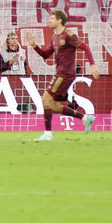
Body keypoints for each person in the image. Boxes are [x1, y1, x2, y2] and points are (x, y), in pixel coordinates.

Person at [29, 9, 99, 140]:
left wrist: (92, 65)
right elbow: (46, 55)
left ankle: (48, 134)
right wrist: (34, 46)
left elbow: (85, 47)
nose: (49, 20)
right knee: (53, 106)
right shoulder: (54, 37)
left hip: (65, 73)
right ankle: (85, 118)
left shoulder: (68, 35)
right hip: (60, 73)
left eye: (52, 18)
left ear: (59, 20)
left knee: (45, 99)